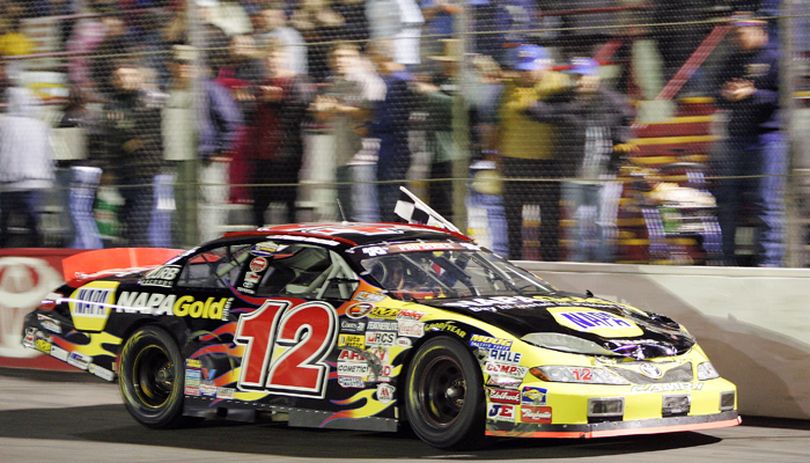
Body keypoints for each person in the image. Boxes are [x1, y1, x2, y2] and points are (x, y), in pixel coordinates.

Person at [524, 58, 635, 262]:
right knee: (578, 222)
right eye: (576, 77)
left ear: (595, 76)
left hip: (605, 176)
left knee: (604, 223)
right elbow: (535, 111)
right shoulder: (565, 99)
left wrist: (619, 157)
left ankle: (604, 262)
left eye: (584, 76)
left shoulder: (611, 101)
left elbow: (625, 125)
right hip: (574, 174)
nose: (580, 81)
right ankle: (580, 261)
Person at [713, 14, 785, 267]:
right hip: (736, 139)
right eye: (735, 33)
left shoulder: (776, 58)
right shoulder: (732, 59)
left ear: (759, 30)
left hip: (767, 139)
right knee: (727, 201)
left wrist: (752, 93)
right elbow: (715, 95)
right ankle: (727, 261)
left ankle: (770, 264)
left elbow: (784, 96)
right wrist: (727, 95)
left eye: (743, 32)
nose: (738, 37)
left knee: (766, 202)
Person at [496, 44, 567, 261]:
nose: (525, 73)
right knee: (513, 218)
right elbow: (499, 125)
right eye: (520, 69)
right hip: (513, 161)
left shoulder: (559, 85)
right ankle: (514, 261)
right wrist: (496, 156)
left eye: (530, 68)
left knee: (548, 218)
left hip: (547, 162)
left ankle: (550, 263)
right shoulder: (507, 88)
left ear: (545, 66)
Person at [311, 42, 384, 222]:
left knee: (362, 214)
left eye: (345, 56)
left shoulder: (367, 81)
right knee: (345, 215)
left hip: (363, 158)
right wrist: (321, 110)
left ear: (356, 58)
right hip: (340, 157)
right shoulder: (335, 83)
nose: (340, 61)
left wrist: (337, 107)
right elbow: (323, 115)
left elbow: (372, 112)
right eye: (335, 57)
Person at [97, 60, 165, 246]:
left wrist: (129, 138)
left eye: (129, 75)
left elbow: (147, 134)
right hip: (121, 172)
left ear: (139, 78)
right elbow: (111, 137)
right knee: (124, 221)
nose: (124, 80)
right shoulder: (112, 105)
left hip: (144, 171)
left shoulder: (149, 102)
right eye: (119, 76)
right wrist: (110, 166)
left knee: (138, 223)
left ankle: (144, 265)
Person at [249, 41, 313, 226]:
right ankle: (258, 245)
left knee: (288, 202)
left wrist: (277, 101)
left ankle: (292, 244)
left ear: (285, 58)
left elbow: (300, 110)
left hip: (285, 153)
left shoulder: (296, 81)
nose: (272, 61)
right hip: (262, 153)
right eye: (268, 57)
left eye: (276, 56)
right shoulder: (263, 84)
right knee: (258, 204)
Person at [0, 59, 55, 247]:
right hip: (34, 182)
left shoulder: (4, 123)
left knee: (4, 222)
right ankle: (38, 249)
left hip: (8, 183)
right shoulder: (41, 126)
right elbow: (49, 153)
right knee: (32, 221)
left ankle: (5, 251)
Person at [368, 39, 415, 221]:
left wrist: (370, 127)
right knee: (393, 194)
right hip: (389, 147)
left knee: (391, 196)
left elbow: (394, 117)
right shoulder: (390, 80)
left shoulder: (398, 82)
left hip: (395, 148)